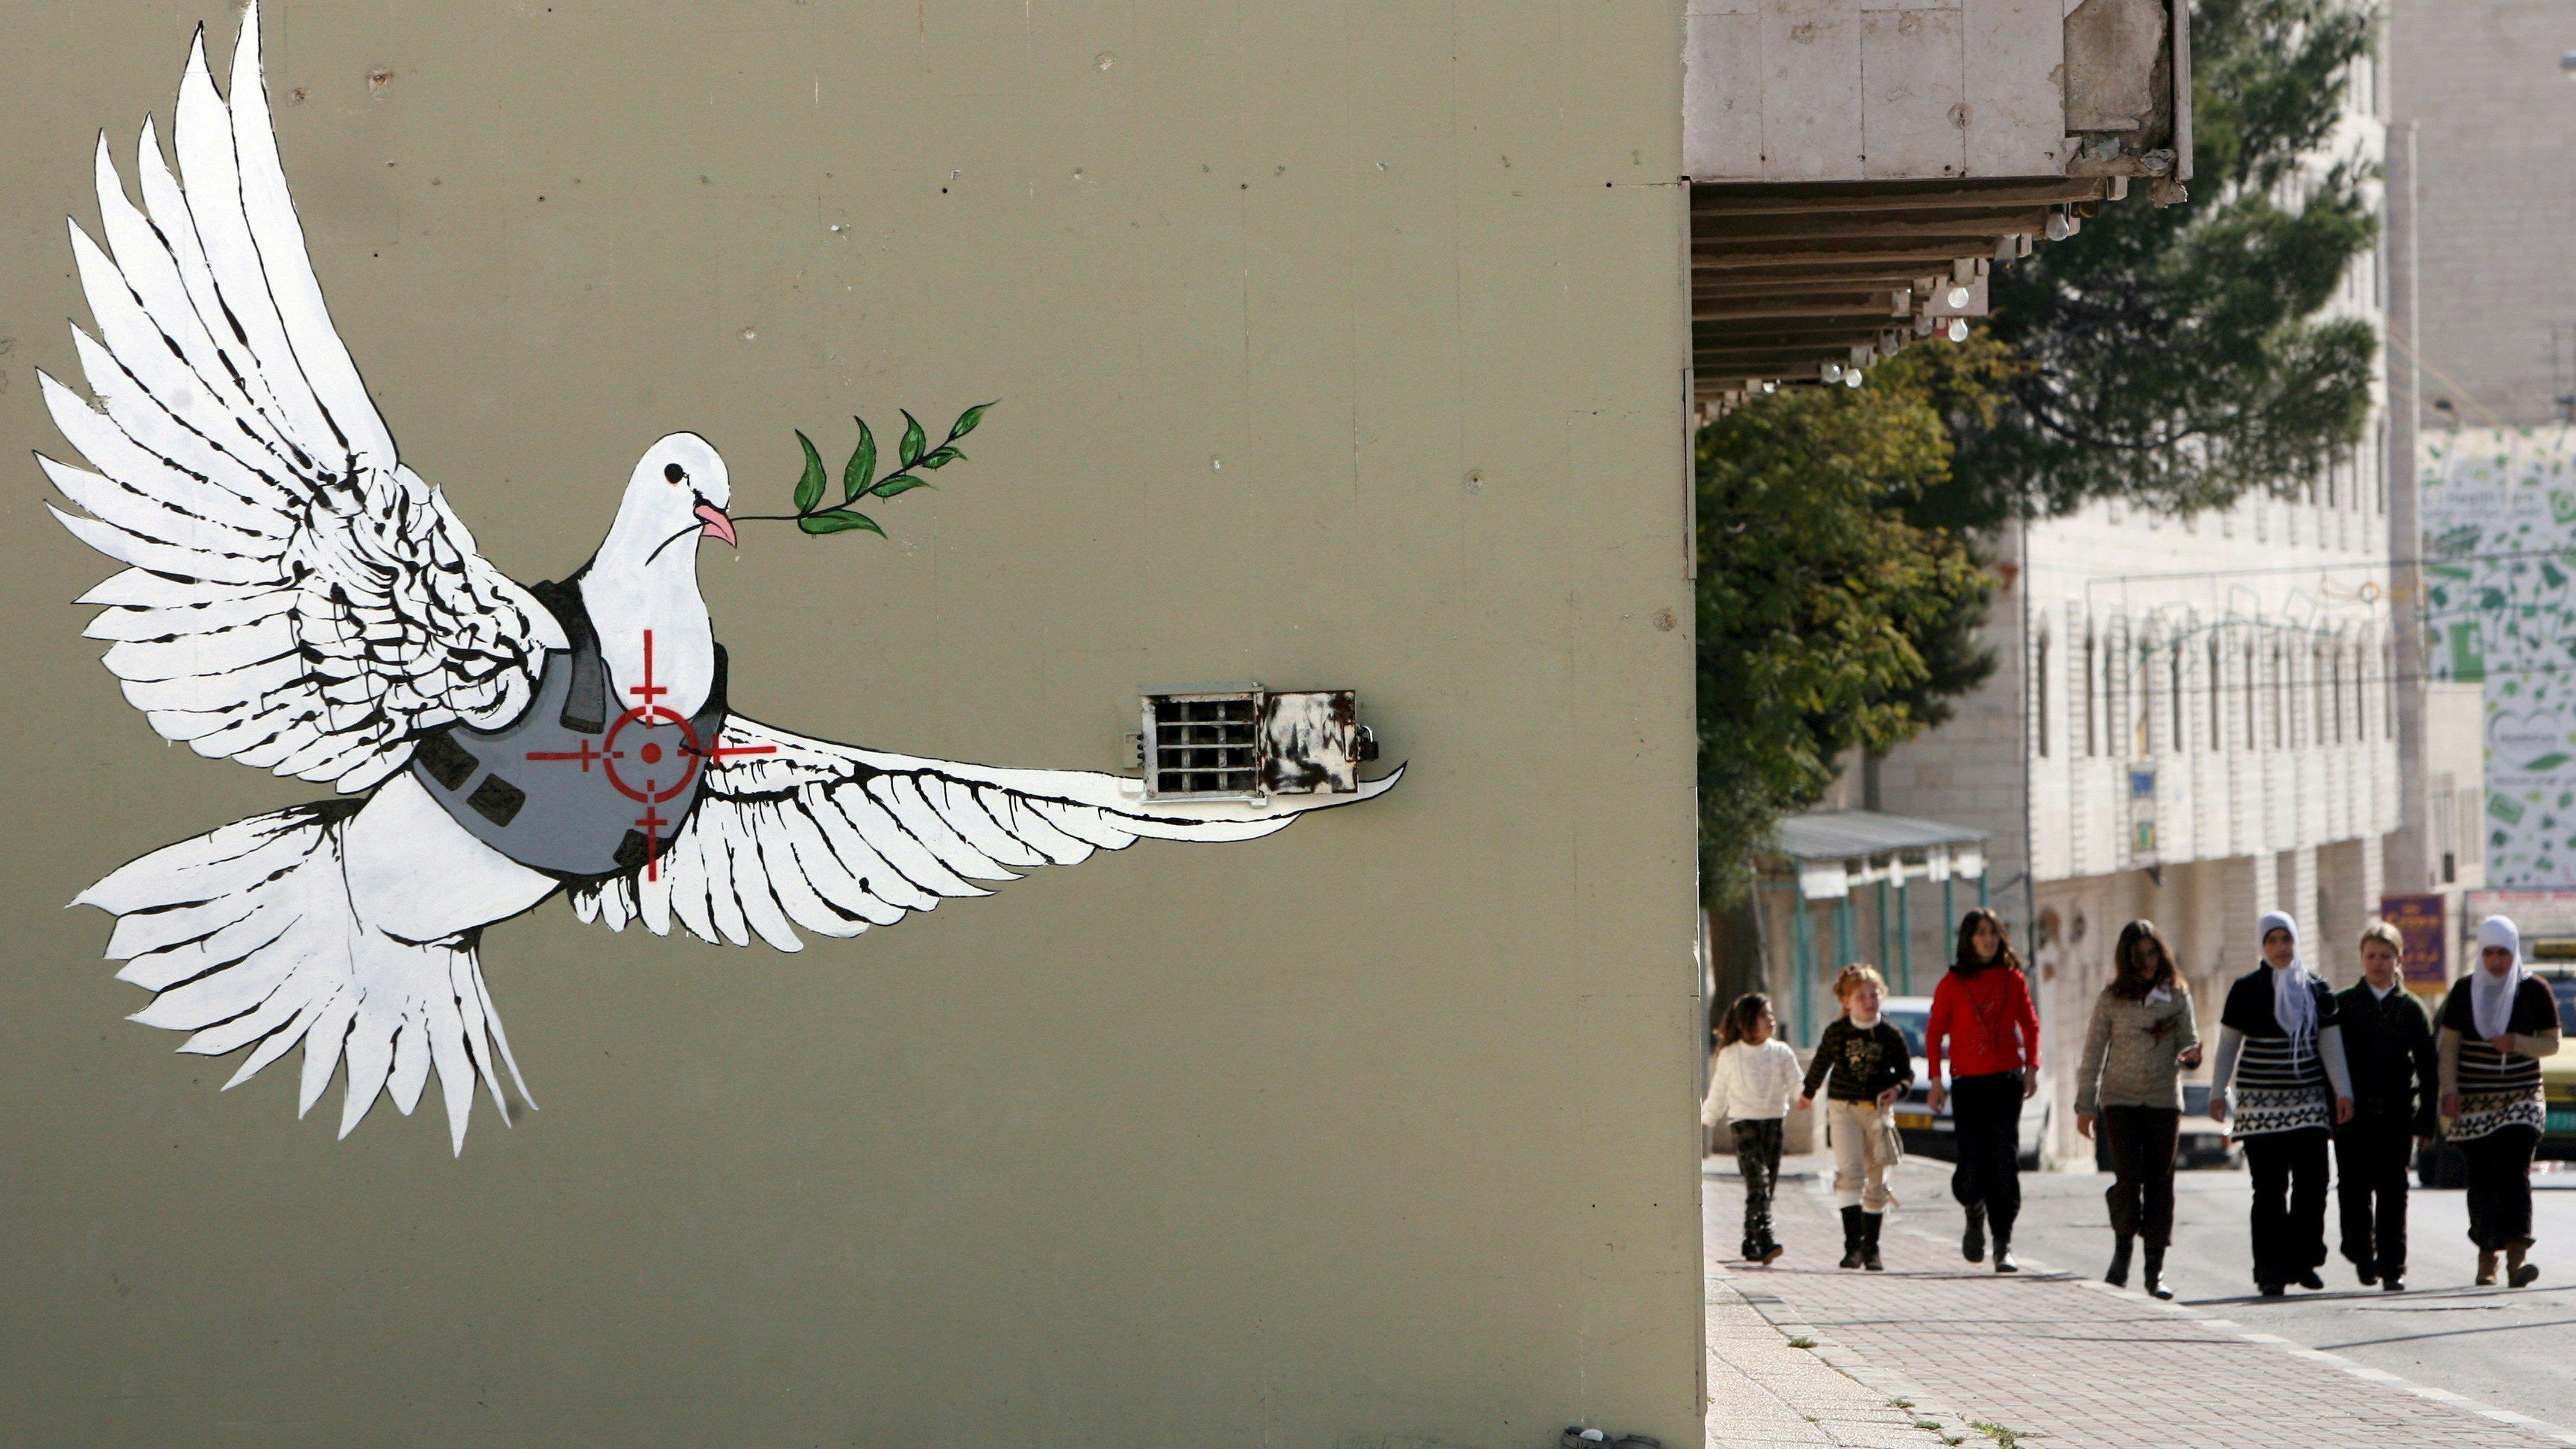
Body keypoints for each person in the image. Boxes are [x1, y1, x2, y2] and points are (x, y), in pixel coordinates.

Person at [2209, 911, 2354, 1295]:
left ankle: (2303, 1258)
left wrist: (2343, 1091)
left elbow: (2331, 1045)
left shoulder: (2317, 990)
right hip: (2259, 1108)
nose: (2280, 948)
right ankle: (2270, 1270)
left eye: (2286, 940)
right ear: (2262, 945)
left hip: (2307, 1104)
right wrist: (2217, 1092)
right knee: (2269, 1190)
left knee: (2314, 1183)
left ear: (2296, 942)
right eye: (2272, 941)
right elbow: (2227, 1046)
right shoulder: (2246, 990)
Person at [2074, 920, 2203, 1299]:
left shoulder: (2177, 994)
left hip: (2163, 1101)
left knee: (2161, 1184)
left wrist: (2192, 1056)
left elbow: (2190, 1041)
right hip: (2120, 1102)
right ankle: (2122, 1252)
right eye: (2139, 956)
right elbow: (2094, 1053)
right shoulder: (2112, 998)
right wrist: (2086, 1106)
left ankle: (2155, 1270)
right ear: (2126, 960)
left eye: (2152, 954)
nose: (2147, 962)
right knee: (2129, 1181)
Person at [2438, 916, 2563, 1287]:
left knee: (2514, 1174)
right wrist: (2449, 1090)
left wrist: (2518, 1044)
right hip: (2475, 1102)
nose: (2496, 962)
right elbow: (2448, 1048)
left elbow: (2552, 1043)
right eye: (2489, 953)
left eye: (2503, 953)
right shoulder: (2464, 991)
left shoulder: (2534, 991)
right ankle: (2486, 1256)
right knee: (2481, 1179)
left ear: (2514, 953)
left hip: (2521, 1098)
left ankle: (2517, 1259)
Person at [1925, 908, 2040, 1274]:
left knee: (2005, 1162)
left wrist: (2032, 1067)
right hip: (1967, 1084)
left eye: (1993, 932)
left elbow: (2030, 1023)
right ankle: (1973, 1212)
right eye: (1980, 933)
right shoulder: (1952, 983)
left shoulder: (2013, 979)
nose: (1988, 939)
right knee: (1972, 1162)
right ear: (1968, 940)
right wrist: (1936, 1081)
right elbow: (1934, 1033)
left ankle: (2003, 1243)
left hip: (2005, 1081)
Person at [2334, 921, 2439, 1292]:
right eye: (2371, 956)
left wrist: (2427, 1120)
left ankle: (2393, 1265)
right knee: (2353, 1187)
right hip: (2353, 1114)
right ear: (2362, 959)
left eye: (2385, 956)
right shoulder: (2344, 1004)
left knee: (2394, 1189)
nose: (2378, 963)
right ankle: (2361, 1251)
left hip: (2396, 1112)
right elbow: (2330, 1060)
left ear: (2398, 959)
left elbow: (2428, 1067)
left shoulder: (2410, 1008)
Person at [1799, 964, 1913, 1272]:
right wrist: (1807, 1093)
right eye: (1860, 996)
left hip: (1878, 1112)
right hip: (1843, 1108)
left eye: (1874, 994)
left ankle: (1872, 1248)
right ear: (1847, 1001)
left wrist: (1897, 1090)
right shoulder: (1837, 1033)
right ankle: (1853, 1247)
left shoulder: (1891, 1035)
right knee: (1851, 1173)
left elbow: (1906, 1074)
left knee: (1877, 1180)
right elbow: (1821, 1064)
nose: (1868, 1000)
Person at [1705, 993, 1805, 1265]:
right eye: (1763, 1015)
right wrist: (1708, 1116)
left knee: (1765, 1186)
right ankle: (1766, 1238)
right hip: (1743, 1124)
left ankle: (1750, 1241)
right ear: (1747, 1022)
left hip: (1773, 1123)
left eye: (1770, 1013)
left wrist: (1804, 1096)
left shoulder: (1781, 1052)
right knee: (1758, 1182)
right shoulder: (1730, 1055)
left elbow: (1797, 1082)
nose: (1770, 1019)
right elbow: (1719, 1090)